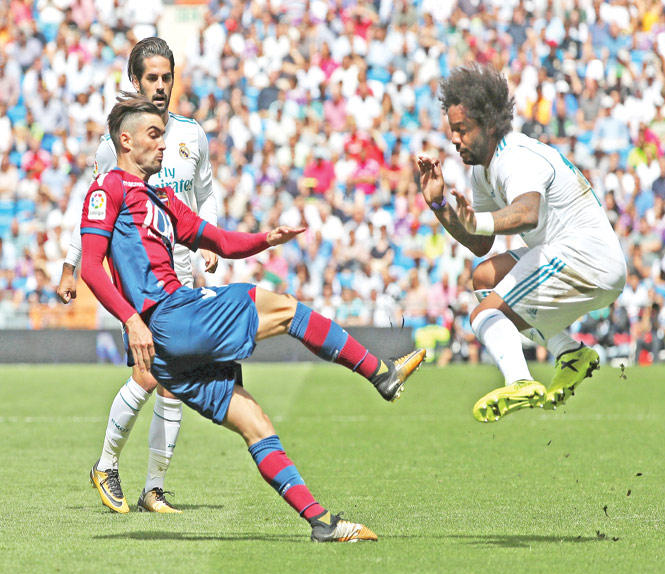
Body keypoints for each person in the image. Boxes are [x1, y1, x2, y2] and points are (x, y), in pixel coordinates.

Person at [79, 94, 425, 541]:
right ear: (125, 141)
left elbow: (218, 240)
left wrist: (266, 238)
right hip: (170, 316)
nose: (163, 144)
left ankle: (321, 523)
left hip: (169, 349)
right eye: (153, 135)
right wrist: (131, 319)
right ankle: (380, 373)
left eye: (163, 134)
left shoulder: (159, 197)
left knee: (254, 422)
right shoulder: (107, 188)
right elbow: (91, 266)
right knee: (285, 308)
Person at [56, 38, 221, 513]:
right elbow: (95, 208)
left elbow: (207, 195)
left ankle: (153, 488)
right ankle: (107, 464)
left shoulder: (191, 136)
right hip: (141, 279)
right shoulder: (118, 142)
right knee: (148, 373)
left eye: (167, 77)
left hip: (183, 272)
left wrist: (210, 247)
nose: (161, 86)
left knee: (174, 379)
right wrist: (72, 263)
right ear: (136, 81)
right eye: (152, 77)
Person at [417, 63, 626, 423]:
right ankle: (570, 353)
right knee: (483, 278)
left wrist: (477, 220)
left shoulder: (516, 157)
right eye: (452, 130)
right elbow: (481, 243)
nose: (454, 139)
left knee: (484, 314)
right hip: (564, 253)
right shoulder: (482, 169)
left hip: (585, 258)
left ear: (489, 125)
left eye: (462, 130)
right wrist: (439, 206)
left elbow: (527, 213)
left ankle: (520, 381)